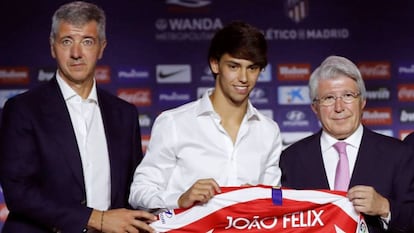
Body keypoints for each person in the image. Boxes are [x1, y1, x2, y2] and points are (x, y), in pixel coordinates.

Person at [0, 1, 156, 232]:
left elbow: (135, 189)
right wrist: (95, 219)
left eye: (87, 41)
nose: (76, 53)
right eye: (66, 41)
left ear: (101, 47)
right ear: (53, 47)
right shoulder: (22, 109)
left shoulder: (124, 114)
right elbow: (18, 192)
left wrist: (176, 200)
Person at [129, 21, 282, 210]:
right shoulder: (174, 123)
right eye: (234, 66)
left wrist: (260, 198)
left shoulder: (268, 130)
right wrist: (179, 199)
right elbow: (139, 192)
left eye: (252, 68)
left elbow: (275, 201)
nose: (244, 78)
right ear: (215, 64)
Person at [280, 55, 414, 233]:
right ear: (315, 108)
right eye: (328, 98)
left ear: (363, 102)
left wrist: (385, 207)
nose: (339, 107)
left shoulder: (398, 154)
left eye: (348, 95)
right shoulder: (291, 159)